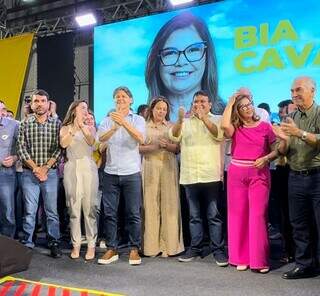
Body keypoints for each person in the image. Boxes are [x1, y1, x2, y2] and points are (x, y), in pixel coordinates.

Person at [221, 90, 278, 273]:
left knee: (257, 215)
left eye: (249, 105)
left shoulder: (265, 126)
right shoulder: (236, 128)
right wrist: (230, 103)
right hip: (237, 174)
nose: (247, 108)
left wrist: (267, 158)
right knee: (238, 215)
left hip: (259, 173)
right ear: (237, 110)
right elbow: (224, 127)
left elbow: (278, 149)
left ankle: (259, 260)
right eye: (242, 106)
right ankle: (240, 257)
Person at [169, 90, 227, 266]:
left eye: (203, 101)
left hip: (210, 175)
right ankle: (195, 247)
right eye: (196, 102)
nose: (199, 105)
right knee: (194, 216)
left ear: (209, 104)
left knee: (214, 215)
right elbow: (173, 136)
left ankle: (218, 250)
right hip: (190, 175)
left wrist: (204, 118)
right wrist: (179, 120)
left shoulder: (216, 119)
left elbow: (218, 135)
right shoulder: (185, 122)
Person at [274, 76, 320, 279]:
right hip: (295, 177)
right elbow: (284, 151)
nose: (294, 94)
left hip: (317, 176)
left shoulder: (318, 114)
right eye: (292, 91)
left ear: (313, 90)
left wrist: (298, 132)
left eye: (298, 90)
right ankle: (305, 265)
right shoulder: (291, 117)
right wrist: (283, 141)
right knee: (299, 224)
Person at [145, 12, 225, 121]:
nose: (181, 62)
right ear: (157, 62)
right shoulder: (142, 120)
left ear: (207, 57)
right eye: (170, 53)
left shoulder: (225, 116)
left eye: (193, 50)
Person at [97, 86, 145, 266]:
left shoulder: (138, 119)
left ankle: (134, 249)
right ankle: (112, 248)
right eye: (117, 97)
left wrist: (124, 123)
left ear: (131, 100)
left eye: (124, 97)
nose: (120, 99)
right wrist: (115, 126)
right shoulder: (107, 120)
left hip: (131, 172)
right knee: (110, 213)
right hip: (110, 172)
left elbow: (141, 138)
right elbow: (100, 139)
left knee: (133, 213)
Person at [16, 89, 62, 258]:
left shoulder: (57, 123)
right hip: (30, 174)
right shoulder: (24, 124)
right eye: (36, 101)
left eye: (43, 101)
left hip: (49, 174)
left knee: (51, 210)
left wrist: (45, 168)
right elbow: (21, 149)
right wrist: (36, 168)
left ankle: (54, 241)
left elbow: (60, 148)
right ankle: (28, 242)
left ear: (48, 103)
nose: (40, 104)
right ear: (32, 104)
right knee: (30, 210)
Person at [140, 96, 184, 257]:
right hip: (150, 167)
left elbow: (178, 148)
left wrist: (168, 146)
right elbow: (138, 148)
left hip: (169, 167)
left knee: (170, 205)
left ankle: (170, 247)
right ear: (152, 109)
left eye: (164, 109)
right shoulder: (143, 127)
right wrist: (154, 146)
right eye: (159, 108)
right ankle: (151, 247)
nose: (161, 111)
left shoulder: (172, 126)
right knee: (150, 205)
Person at [60, 100, 99, 260]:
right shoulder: (65, 128)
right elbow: (63, 144)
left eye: (86, 108)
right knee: (73, 209)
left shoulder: (90, 127)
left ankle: (91, 245)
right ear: (74, 109)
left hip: (88, 167)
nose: (86, 110)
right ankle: (76, 244)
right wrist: (74, 128)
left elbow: (93, 144)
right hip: (71, 167)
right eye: (82, 108)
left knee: (89, 208)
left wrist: (83, 127)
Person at [0, 101, 18, 238]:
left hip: (6, 174)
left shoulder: (14, 125)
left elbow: (25, 145)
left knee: (7, 209)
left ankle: (7, 243)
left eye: (4, 109)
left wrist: (15, 157)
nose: (3, 112)